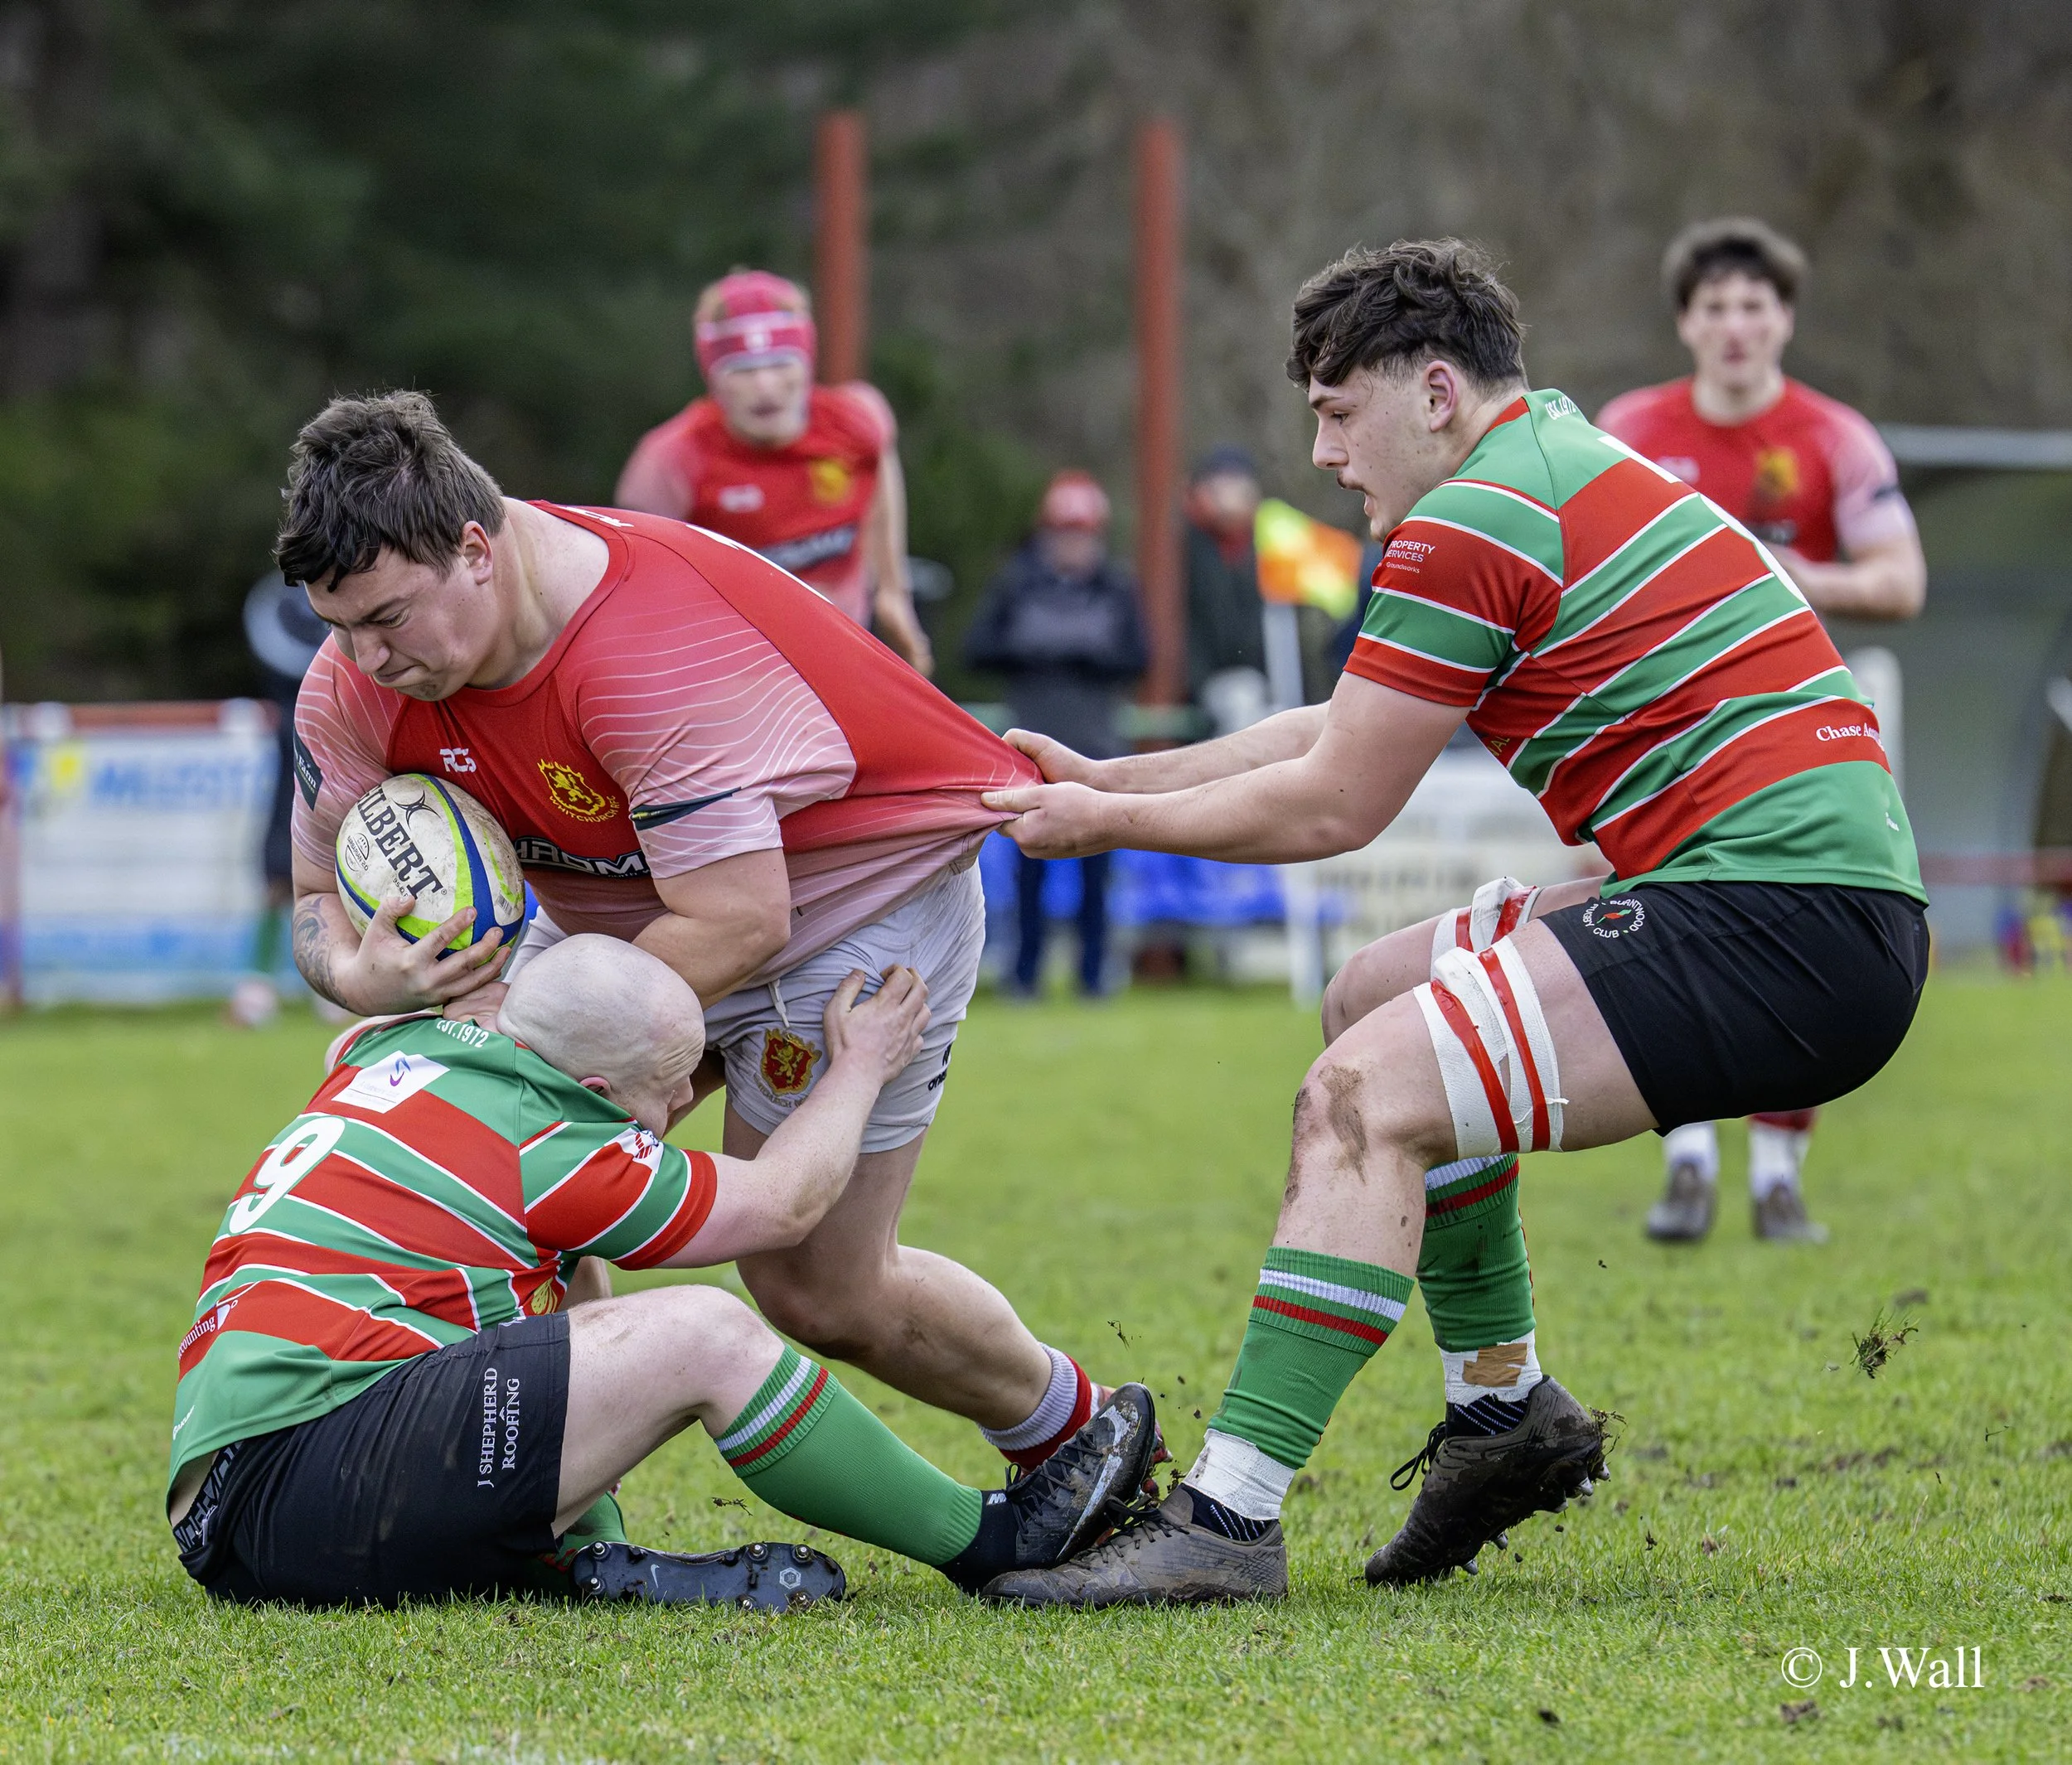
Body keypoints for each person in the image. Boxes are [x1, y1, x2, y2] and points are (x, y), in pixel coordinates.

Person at [978, 239, 1928, 1604]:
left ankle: (1229, 1521)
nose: (1320, 451)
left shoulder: (1479, 515)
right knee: (1370, 996)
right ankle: (1501, 1410)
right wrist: (1114, 775)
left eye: (1335, 408)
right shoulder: (1539, 461)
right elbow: (1340, 722)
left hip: (1781, 915)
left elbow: (1330, 806)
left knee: (1365, 1092)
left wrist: (1102, 830)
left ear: (1434, 390)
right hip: (1787, 900)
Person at [280, 390, 1130, 1487]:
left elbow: (742, 917)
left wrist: (503, 1039)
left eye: (388, 617)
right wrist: (355, 969)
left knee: (821, 1288)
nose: (365, 656)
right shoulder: (354, 685)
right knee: (503, 1181)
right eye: (336, 625)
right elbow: (313, 895)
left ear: (477, 550)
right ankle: (557, 1515)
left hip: (850, 897)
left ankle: (1082, 1431)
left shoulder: (643, 649)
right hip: (639, 918)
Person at [167, 932, 1158, 1605]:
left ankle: (585, 1562)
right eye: (666, 1089)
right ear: (594, 1091)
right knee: (703, 1334)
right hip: (301, 1487)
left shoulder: (399, 1046)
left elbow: (558, 1317)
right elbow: (786, 1205)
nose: (682, 1099)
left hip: (243, 1491)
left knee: (574, 1312)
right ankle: (993, 1542)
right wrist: (860, 1067)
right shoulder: (553, 1144)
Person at [1597, 217, 1928, 1246]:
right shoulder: (1630, 430)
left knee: (1806, 924)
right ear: (1684, 325)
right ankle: (1687, 1164)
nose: (1735, 326)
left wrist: (1790, 578)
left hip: (1798, 728)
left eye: (1754, 305)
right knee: (1662, 926)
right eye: (1714, 307)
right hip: (1665, 724)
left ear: (1784, 320)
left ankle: (1779, 1175)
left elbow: (1902, 582)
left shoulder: (1834, 438)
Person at [613, 268, 932, 675]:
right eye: (742, 370)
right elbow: (640, 587)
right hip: (732, 667)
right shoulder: (670, 460)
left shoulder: (859, 419)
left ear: (807, 364)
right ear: (712, 378)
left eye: (780, 363)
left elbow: (881, 476)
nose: (765, 386)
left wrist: (892, 592)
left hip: (844, 651)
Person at [964, 471, 1147, 998]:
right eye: (1064, 533)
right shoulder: (1017, 585)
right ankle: (1025, 975)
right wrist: (1037, 651)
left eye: (1082, 534)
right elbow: (979, 648)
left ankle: (1094, 975)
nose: (1073, 545)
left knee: (1096, 871)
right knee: (1028, 870)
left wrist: (1080, 655)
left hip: (1096, 750)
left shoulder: (1116, 587)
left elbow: (1140, 656)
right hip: (1030, 754)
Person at [226, 573, 337, 1030]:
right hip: (289, 769)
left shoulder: (352, 594)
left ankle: (339, 982)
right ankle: (256, 988)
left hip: (340, 768)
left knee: (349, 872)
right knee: (276, 877)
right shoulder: (279, 604)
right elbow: (273, 642)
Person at [1183, 445, 1271, 734]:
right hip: (1203, 689)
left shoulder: (1271, 543)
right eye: (1221, 485)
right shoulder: (1181, 547)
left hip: (1261, 683)